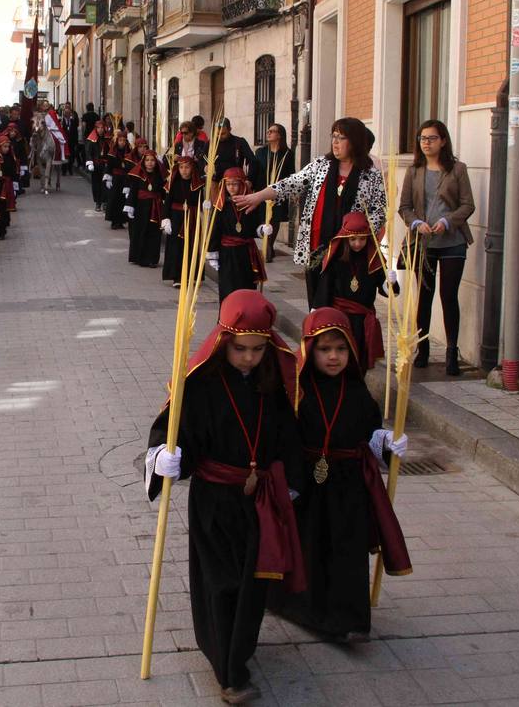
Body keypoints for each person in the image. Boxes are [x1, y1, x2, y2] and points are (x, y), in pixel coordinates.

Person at [144, 290, 304, 705]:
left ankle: (240, 651)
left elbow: (289, 437)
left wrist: (290, 481)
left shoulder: (273, 387)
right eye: (240, 349)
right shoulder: (200, 386)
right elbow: (172, 431)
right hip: (214, 499)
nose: (249, 357)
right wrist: (166, 456)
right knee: (221, 581)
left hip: (259, 501)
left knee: (251, 581)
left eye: (257, 349)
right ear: (223, 342)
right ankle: (228, 670)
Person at [268, 309, 410, 640]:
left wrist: (384, 441)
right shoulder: (297, 393)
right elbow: (285, 439)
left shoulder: (359, 393)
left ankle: (351, 617)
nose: (334, 357)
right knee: (311, 548)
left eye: (341, 349)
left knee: (348, 551)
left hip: (348, 488)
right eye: (325, 349)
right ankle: (311, 612)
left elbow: (369, 432)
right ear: (308, 350)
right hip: (309, 486)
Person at [233, 117, 387, 309]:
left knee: (345, 307)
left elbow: (379, 214)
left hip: (349, 252)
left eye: (341, 137)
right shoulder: (322, 165)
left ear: (355, 141)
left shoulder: (370, 174)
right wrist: (259, 196)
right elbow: (290, 183)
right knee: (317, 307)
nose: (335, 142)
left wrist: (358, 235)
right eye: (334, 136)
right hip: (317, 249)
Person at [399, 120, 475, 376]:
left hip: (452, 241)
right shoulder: (414, 171)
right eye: (422, 138)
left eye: (431, 138)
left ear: (443, 140)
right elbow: (405, 207)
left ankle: (452, 351)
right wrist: (417, 223)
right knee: (425, 297)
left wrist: (446, 221)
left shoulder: (458, 169)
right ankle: (423, 348)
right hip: (424, 243)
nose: (426, 142)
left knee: (448, 296)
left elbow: (467, 205)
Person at [314, 212, 389, 374]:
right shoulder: (336, 258)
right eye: (353, 239)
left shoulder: (374, 258)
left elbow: (384, 287)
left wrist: (391, 283)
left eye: (362, 239)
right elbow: (325, 288)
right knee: (341, 356)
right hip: (340, 318)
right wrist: (319, 314)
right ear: (345, 238)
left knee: (359, 358)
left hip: (362, 320)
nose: (357, 244)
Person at [207, 168, 270, 304]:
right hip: (227, 253)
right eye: (228, 184)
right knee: (228, 287)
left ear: (242, 184)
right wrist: (212, 252)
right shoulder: (220, 205)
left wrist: (262, 229)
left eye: (234, 184)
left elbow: (254, 228)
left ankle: (247, 320)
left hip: (246, 253)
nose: (231, 187)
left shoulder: (250, 203)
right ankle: (227, 319)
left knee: (246, 285)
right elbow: (215, 230)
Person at [251, 124, 294, 259]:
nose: (268, 133)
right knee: (262, 217)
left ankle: (269, 245)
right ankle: (265, 243)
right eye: (268, 131)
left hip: (279, 192)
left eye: (272, 131)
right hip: (262, 190)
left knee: (275, 218)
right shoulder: (260, 152)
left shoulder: (287, 153)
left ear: (279, 135)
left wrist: (292, 191)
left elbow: (290, 173)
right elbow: (254, 170)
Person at [161, 156, 205, 288]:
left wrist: (205, 204)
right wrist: (166, 218)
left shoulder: (198, 184)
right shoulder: (173, 183)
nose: (184, 170)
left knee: (191, 245)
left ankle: (191, 275)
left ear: (192, 168)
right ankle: (177, 277)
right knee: (176, 247)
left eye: (187, 167)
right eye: (181, 167)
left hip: (192, 218)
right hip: (176, 218)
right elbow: (167, 202)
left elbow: (201, 201)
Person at [126, 150, 167, 268]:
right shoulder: (138, 174)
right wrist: (130, 206)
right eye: (147, 160)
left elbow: (164, 192)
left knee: (154, 233)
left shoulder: (160, 175)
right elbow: (133, 191)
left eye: (152, 160)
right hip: (141, 207)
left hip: (156, 208)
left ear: (156, 162)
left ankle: (152, 259)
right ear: (143, 161)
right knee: (141, 231)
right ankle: (141, 258)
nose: (150, 163)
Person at [209, 119, 257, 191]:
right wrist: (205, 166)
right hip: (216, 183)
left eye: (223, 134)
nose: (219, 136)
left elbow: (253, 161)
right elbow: (202, 158)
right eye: (217, 134)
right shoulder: (211, 143)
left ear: (230, 129)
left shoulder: (239, 142)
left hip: (235, 183)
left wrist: (250, 179)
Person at [103, 129, 132, 230]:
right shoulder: (113, 152)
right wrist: (108, 177)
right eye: (120, 140)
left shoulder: (129, 152)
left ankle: (121, 221)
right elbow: (109, 165)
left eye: (124, 140)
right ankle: (114, 221)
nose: (122, 142)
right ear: (117, 141)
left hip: (125, 179)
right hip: (115, 179)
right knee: (114, 199)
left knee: (123, 200)